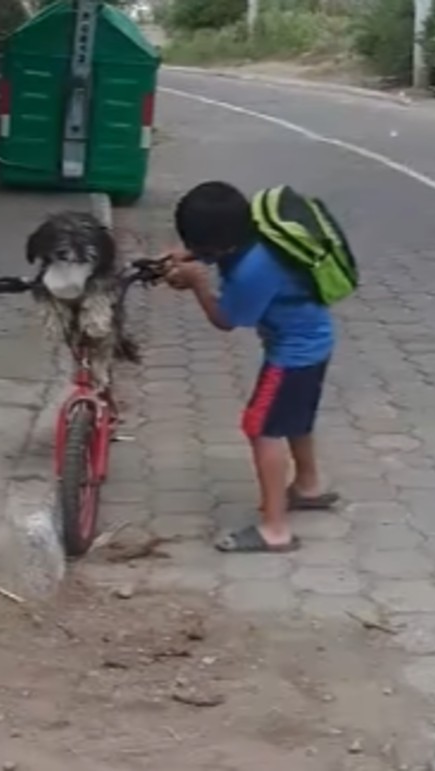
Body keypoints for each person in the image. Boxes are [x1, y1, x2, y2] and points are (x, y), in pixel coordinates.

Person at [165, 181, 339, 554]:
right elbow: (219, 258)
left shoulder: (254, 270)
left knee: (261, 428)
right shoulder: (255, 232)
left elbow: (227, 319)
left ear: (218, 243)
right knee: (293, 419)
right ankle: (309, 485)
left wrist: (197, 285)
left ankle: (275, 529)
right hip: (314, 343)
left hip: (292, 354)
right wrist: (192, 260)